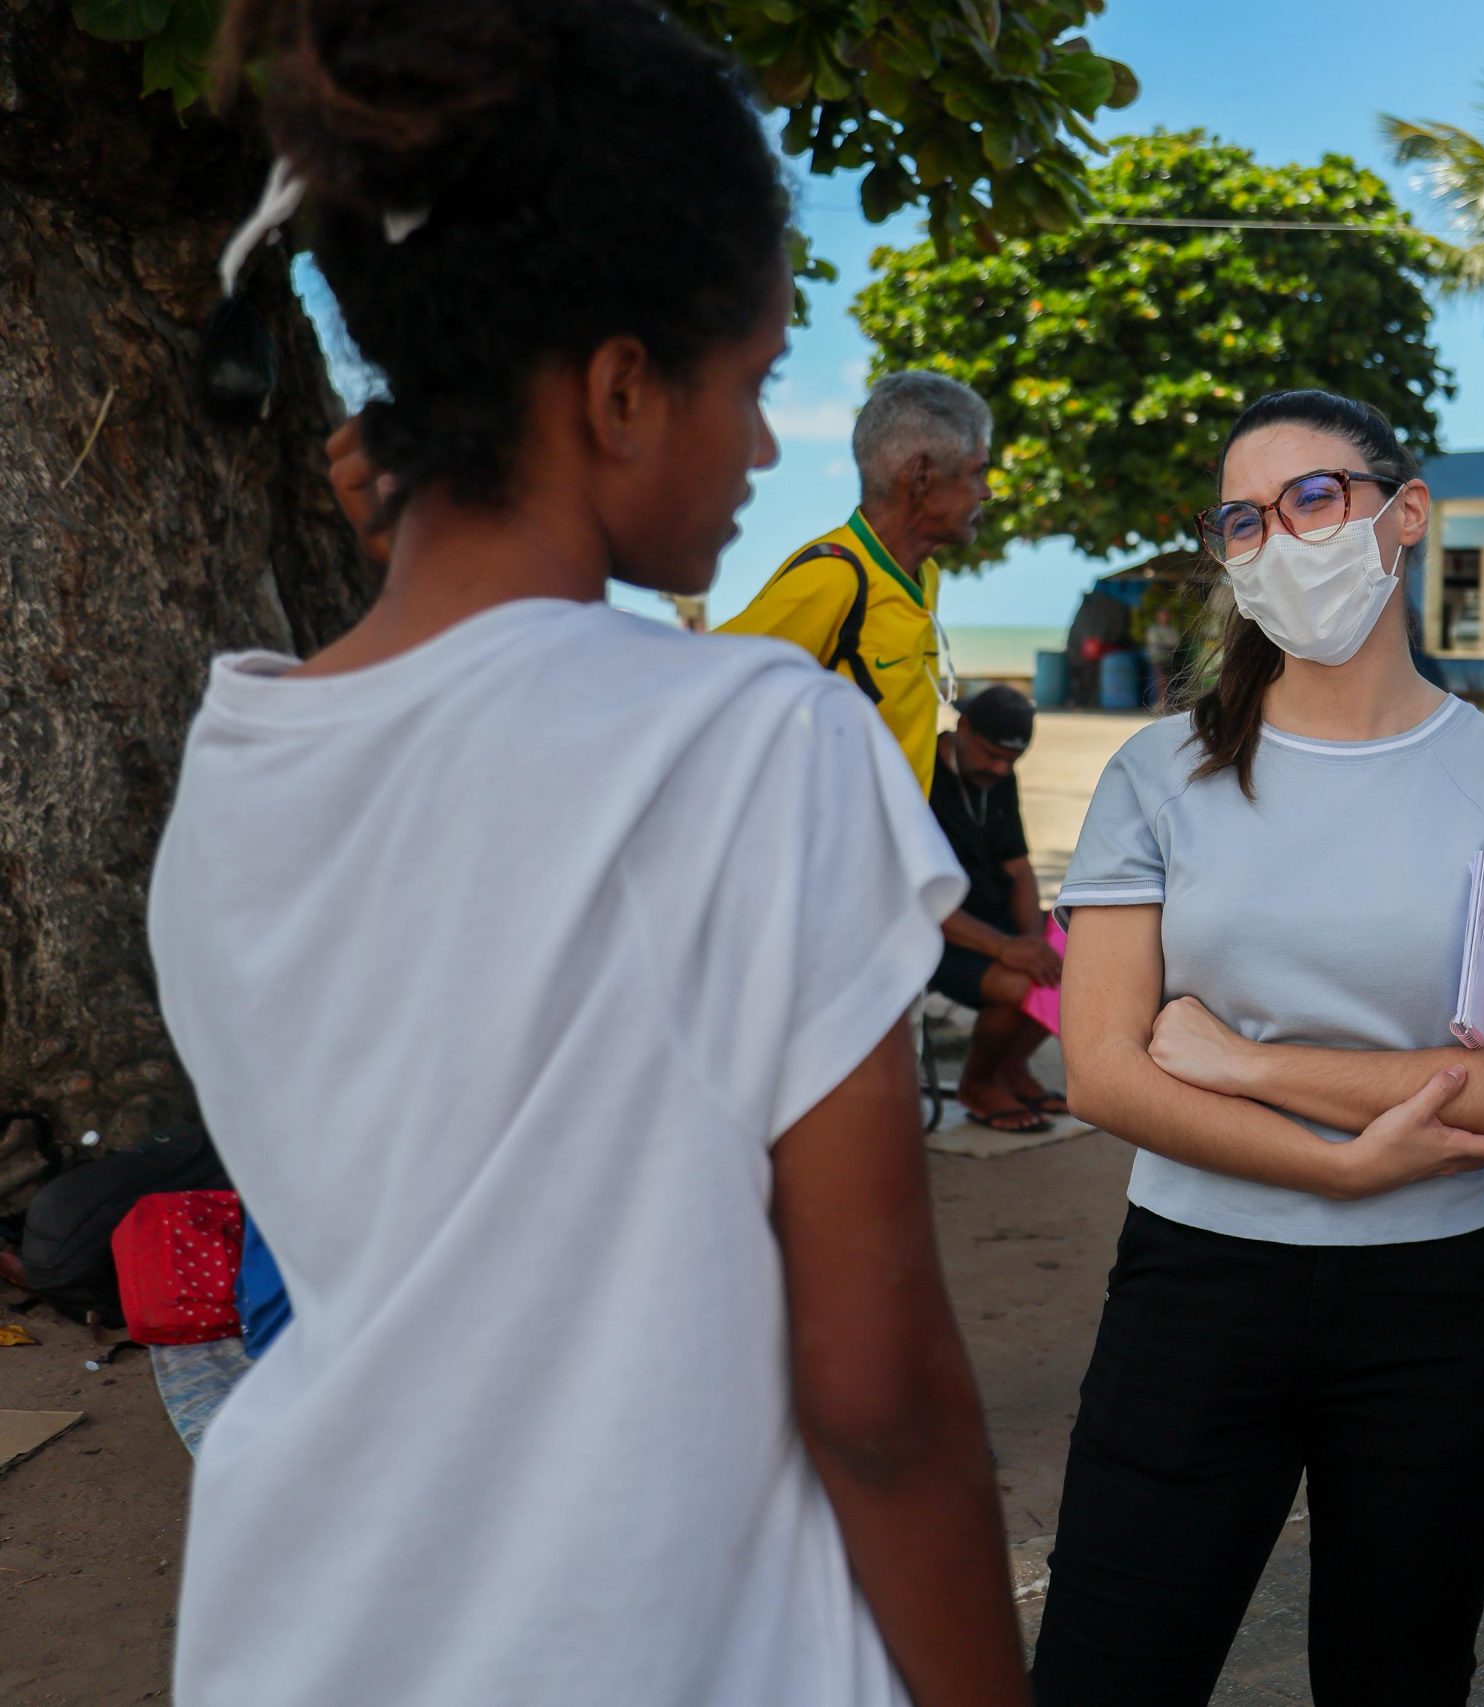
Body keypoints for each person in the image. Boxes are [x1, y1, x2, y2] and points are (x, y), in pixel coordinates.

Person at [153, 5, 1023, 1703]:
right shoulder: (754, 741)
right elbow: (881, 1394)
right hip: (662, 1645)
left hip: (301, 1635)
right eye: (756, 381)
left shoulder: (237, 753)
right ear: (622, 388)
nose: (767, 449)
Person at [1034, 390, 1484, 1704]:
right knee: (1104, 1673)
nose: (1279, 537)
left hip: (1440, 1313)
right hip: (1193, 1294)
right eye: (1244, 517)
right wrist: (1341, 1163)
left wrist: (1244, 1064)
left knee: (1396, 1679)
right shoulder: (1156, 771)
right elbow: (1106, 1065)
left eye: (1315, 498)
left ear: (1405, 515)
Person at [720, 369, 993, 794]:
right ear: (921, 474)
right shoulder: (833, 577)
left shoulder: (925, 577)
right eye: (978, 472)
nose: (987, 492)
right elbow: (706, 691)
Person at [929, 685, 1067, 1133]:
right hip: (931, 932)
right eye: (991, 755)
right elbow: (919, 897)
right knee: (1019, 986)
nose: (1000, 769)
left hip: (993, 924)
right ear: (962, 727)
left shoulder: (999, 777)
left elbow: (1020, 870)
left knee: (1077, 957)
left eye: (1011, 760)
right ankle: (978, 1082)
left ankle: (1011, 1068)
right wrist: (1008, 948)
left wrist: (1029, 941)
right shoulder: (921, 773)